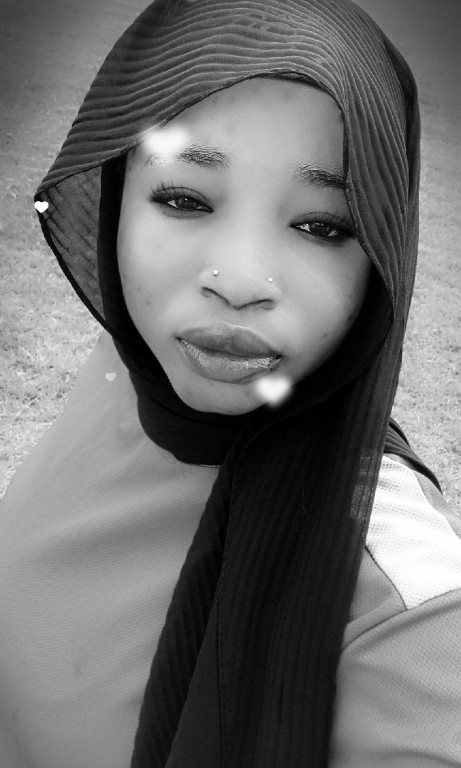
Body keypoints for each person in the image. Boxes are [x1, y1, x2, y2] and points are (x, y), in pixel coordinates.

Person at [1, 0, 460, 766]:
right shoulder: (128, 372)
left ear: (382, 255)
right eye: (183, 200)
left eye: (323, 226)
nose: (240, 282)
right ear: (116, 207)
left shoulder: (400, 596)